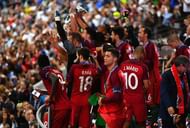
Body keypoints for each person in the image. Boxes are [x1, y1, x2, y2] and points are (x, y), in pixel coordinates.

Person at [66, 47, 98, 128]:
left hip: (75, 100)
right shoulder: (93, 67)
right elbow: (99, 73)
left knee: (72, 124)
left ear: (80, 56)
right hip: (87, 101)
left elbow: (67, 82)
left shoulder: (74, 67)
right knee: (83, 125)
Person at [119, 46, 149, 128]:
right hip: (138, 98)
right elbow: (146, 85)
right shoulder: (143, 66)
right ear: (142, 54)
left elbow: (119, 81)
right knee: (141, 123)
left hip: (126, 97)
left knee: (126, 121)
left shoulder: (123, 64)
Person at [38, 54, 71, 128]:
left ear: (39, 65)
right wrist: (44, 92)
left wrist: (50, 97)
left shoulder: (43, 71)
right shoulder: (57, 71)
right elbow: (59, 89)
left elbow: (54, 79)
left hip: (59, 108)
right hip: (67, 106)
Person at [160, 55, 190, 128]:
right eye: (186, 67)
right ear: (180, 66)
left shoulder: (186, 74)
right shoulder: (167, 75)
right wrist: (169, 106)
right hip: (170, 109)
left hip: (183, 109)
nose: (188, 68)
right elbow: (164, 92)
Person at [98, 48, 125, 128]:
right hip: (108, 110)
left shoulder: (117, 74)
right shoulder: (108, 72)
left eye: (108, 56)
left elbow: (117, 96)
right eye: (104, 56)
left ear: (115, 59)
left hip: (115, 112)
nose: (105, 58)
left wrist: (103, 99)